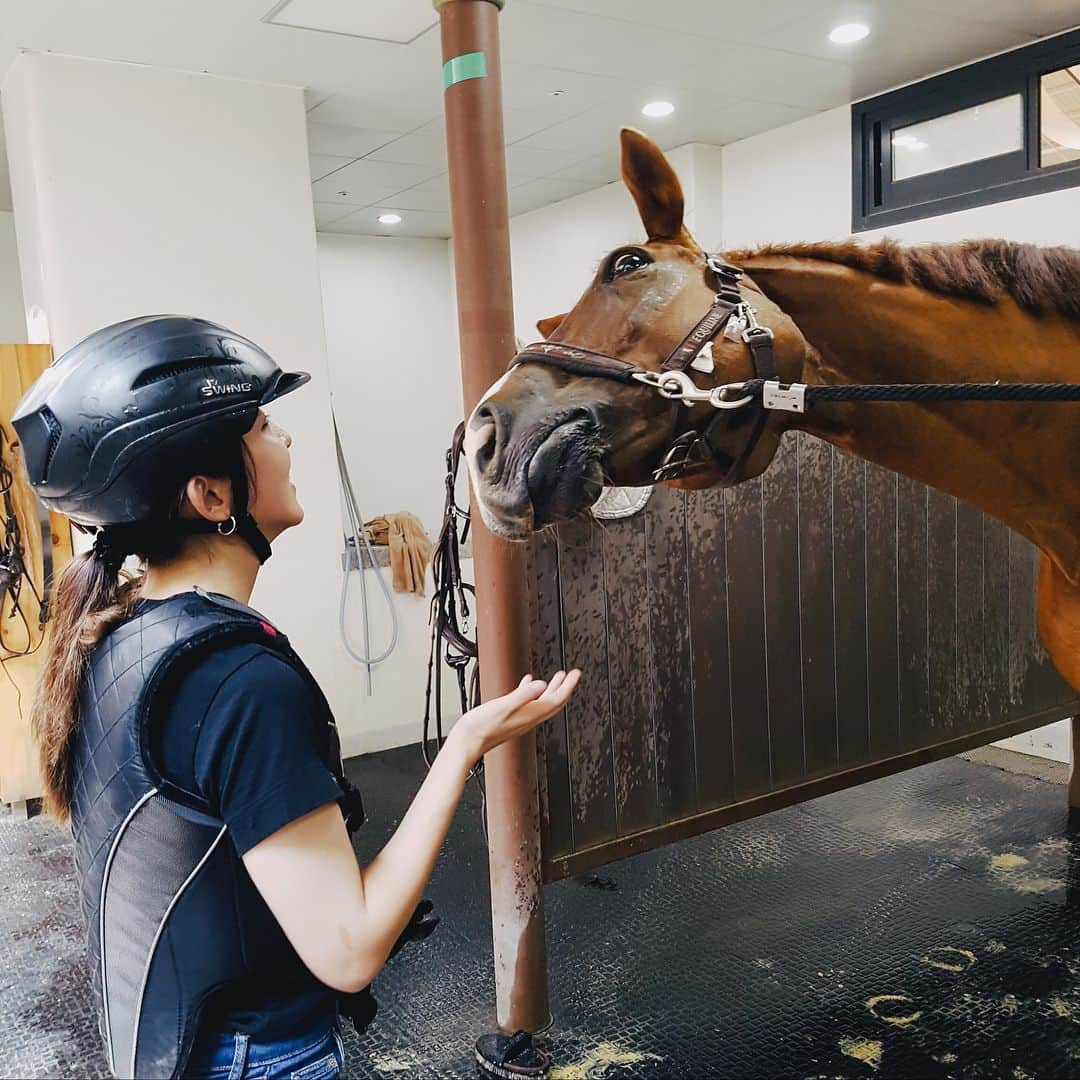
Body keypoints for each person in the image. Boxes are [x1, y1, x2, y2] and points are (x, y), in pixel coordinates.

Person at [11, 315, 579, 1080]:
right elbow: (349, 950)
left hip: (167, 1048)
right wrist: (465, 746)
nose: (286, 442)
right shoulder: (240, 683)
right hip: (257, 1059)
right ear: (212, 495)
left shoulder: (119, 637)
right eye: (264, 427)